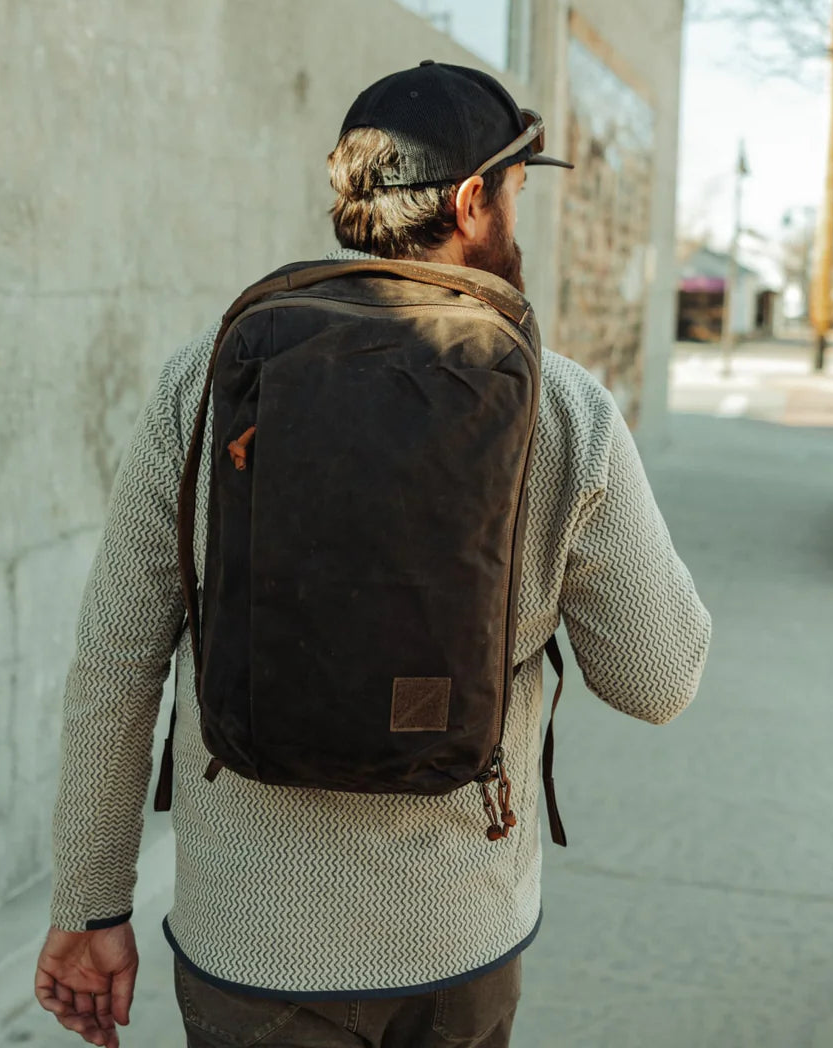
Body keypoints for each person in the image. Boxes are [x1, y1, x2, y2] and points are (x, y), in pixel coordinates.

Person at [35, 61, 712, 1048]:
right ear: (472, 202)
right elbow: (658, 680)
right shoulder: (565, 407)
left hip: (249, 939)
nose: (518, 220)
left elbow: (117, 659)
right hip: (457, 933)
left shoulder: (204, 378)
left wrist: (91, 905)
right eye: (516, 194)